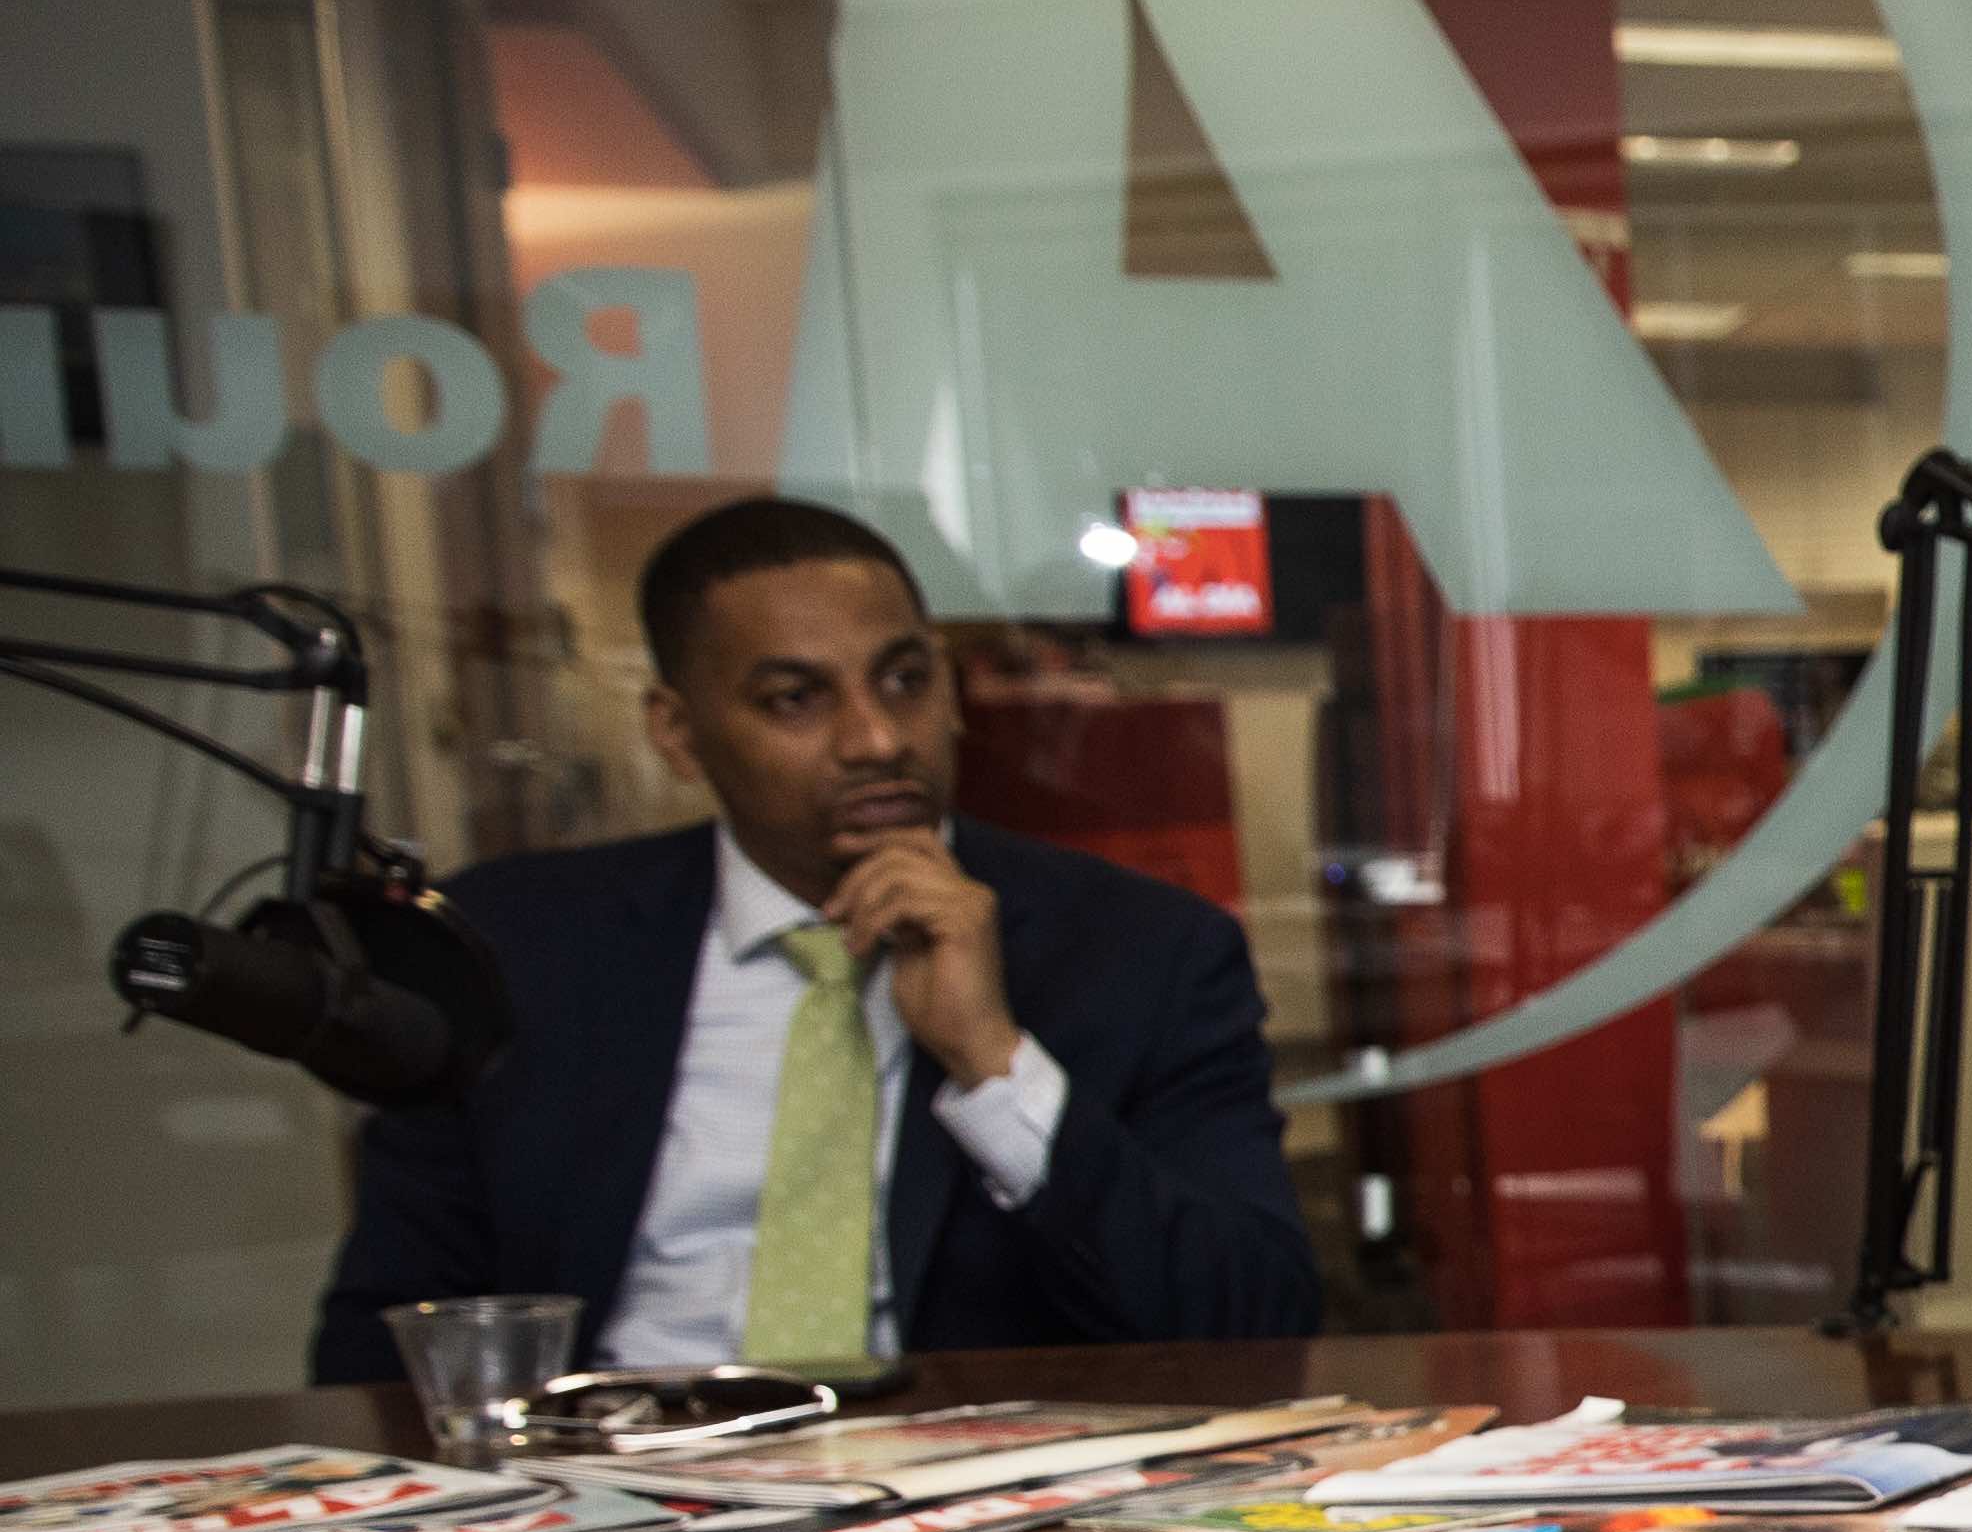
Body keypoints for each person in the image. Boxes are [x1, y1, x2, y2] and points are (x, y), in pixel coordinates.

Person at [309, 493, 1323, 1382]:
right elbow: (388, 1345)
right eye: (796, 699)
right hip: (608, 1511)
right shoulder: (514, 949)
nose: (877, 740)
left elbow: (1252, 1328)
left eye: (904, 681)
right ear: (675, 731)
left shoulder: (1142, 952)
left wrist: (993, 1065)